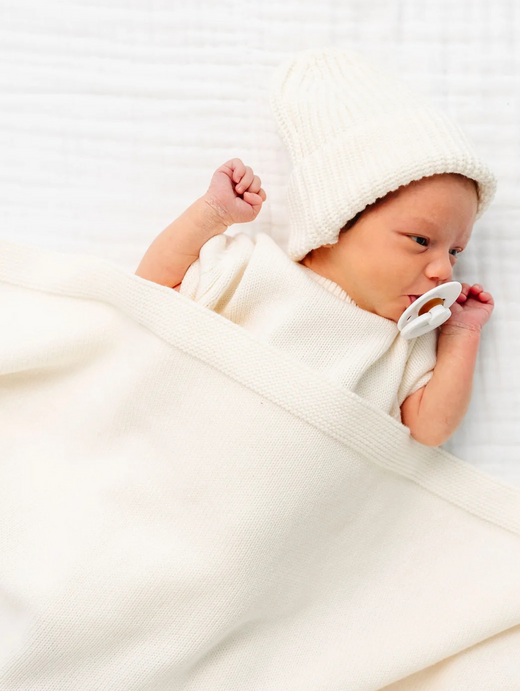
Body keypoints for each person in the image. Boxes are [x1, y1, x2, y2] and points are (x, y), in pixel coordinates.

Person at [136, 48, 498, 447]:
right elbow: (152, 289)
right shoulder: (254, 270)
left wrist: (461, 335)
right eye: (421, 241)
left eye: (455, 251)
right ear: (341, 218)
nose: (444, 272)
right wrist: (211, 215)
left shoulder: (402, 343)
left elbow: (429, 429)